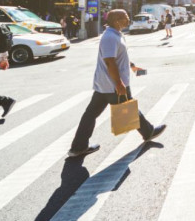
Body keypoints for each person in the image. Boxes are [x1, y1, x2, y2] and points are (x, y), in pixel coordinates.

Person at [68, 9, 166, 157]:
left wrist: (132, 66)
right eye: (126, 17)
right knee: (129, 108)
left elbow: (118, 57)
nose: (129, 19)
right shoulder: (110, 37)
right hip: (112, 85)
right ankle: (148, 132)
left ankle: (78, 147)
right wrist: (119, 84)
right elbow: (110, 62)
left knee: (90, 115)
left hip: (105, 85)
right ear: (117, 20)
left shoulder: (116, 35)